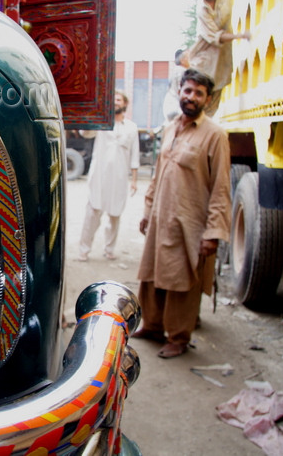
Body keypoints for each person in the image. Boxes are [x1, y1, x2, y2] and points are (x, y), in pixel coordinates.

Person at [133, 68, 231, 358]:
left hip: (190, 222)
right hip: (161, 217)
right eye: (187, 90)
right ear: (179, 92)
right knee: (152, 274)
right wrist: (148, 210)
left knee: (181, 280)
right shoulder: (172, 126)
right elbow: (158, 173)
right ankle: (152, 326)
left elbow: (221, 187)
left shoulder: (215, 135)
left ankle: (178, 337)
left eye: (198, 93)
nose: (191, 97)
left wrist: (213, 233)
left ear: (208, 99)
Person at [77, 91, 140, 262]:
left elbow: (135, 156)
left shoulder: (132, 127)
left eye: (119, 99)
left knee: (115, 214)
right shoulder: (102, 123)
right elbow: (85, 133)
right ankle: (84, 250)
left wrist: (134, 181)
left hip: (119, 178)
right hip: (99, 176)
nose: (116, 102)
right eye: (113, 100)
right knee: (93, 212)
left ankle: (109, 249)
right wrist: (92, 114)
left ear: (125, 103)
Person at [188, 0, 250, 116]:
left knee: (213, 102)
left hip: (222, 59)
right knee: (199, 99)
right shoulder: (202, 9)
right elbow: (216, 37)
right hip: (204, 59)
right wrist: (239, 36)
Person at [162, 48, 189, 122]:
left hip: (171, 106)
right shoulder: (182, 71)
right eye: (188, 57)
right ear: (182, 60)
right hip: (176, 107)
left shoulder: (176, 70)